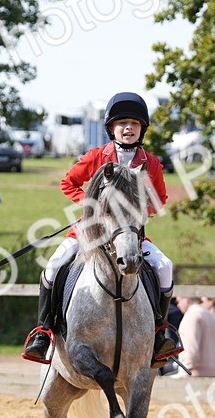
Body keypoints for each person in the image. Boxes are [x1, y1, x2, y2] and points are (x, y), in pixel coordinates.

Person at [22, 91, 181, 366]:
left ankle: (160, 332)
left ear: (142, 129)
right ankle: (44, 332)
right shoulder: (96, 156)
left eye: (134, 123)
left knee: (164, 266)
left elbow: (160, 198)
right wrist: (91, 206)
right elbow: (68, 183)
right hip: (89, 232)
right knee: (53, 265)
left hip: (129, 235)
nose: (128, 128)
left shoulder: (151, 163)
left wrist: (137, 215)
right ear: (112, 128)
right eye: (122, 123)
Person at [177, 296, 215, 377]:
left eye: (179, 301)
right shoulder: (210, 315)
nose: (178, 305)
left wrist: (185, 370)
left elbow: (191, 346)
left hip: (195, 374)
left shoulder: (191, 315)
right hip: (213, 372)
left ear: (186, 299)